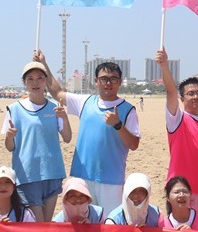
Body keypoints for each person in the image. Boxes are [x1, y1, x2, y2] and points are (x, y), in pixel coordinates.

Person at [37, 50, 140, 212]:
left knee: (108, 222)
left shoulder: (128, 110)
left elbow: (134, 144)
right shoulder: (85, 101)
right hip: (82, 176)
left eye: (113, 79)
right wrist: (44, 64)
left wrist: (118, 125)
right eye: (104, 79)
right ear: (96, 81)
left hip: (111, 180)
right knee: (81, 219)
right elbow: (57, 93)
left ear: (119, 82)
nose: (108, 83)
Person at [2, 60, 72, 221]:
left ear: (46, 81)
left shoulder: (55, 107)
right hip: (27, 173)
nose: (35, 83)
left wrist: (64, 118)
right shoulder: (14, 109)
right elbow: (10, 147)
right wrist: (9, 137)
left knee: (46, 223)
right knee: (38, 224)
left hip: (52, 171)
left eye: (40, 78)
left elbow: (67, 138)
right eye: (30, 79)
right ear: (24, 82)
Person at [157, 48, 198, 214]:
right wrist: (164, 66)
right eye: (190, 94)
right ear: (182, 99)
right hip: (179, 190)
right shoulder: (177, 119)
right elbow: (170, 91)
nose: (196, 97)